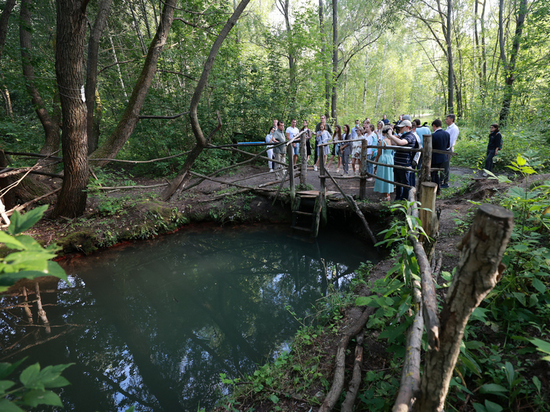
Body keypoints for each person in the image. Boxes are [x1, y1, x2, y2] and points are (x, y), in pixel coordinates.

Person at [387, 119, 416, 201]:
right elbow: (394, 143)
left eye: (402, 127)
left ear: (408, 127)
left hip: (405, 163)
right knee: (398, 182)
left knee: (405, 183)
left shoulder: (410, 136)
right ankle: (398, 198)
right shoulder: (403, 135)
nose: (400, 129)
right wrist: (392, 135)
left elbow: (401, 143)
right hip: (398, 162)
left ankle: (404, 199)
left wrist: (391, 135)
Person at [374, 126, 395, 201]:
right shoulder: (392, 140)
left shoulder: (382, 141)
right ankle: (388, 194)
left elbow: (379, 153)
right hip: (390, 158)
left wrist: (376, 161)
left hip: (384, 158)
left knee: (383, 175)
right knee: (388, 175)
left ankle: (386, 195)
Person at [431, 119, 450, 195]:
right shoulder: (447, 134)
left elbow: (431, 147)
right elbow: (448, 146)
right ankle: (439, 188)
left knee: (434, 174)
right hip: (444, 158)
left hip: (435, 158)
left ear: (434, 126)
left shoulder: (434, 135)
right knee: (439, 174)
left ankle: (435, 189)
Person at [442, 114, 459, 188]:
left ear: (452, 119)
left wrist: (446, 148)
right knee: (443, 165)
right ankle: (442, 180)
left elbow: (451, 141)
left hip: (448, 149)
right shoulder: (448, 128)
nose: (446, 120)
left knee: (446, 166)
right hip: (445, 148)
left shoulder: (454, 128)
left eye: (447, 119)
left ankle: (446, 182)